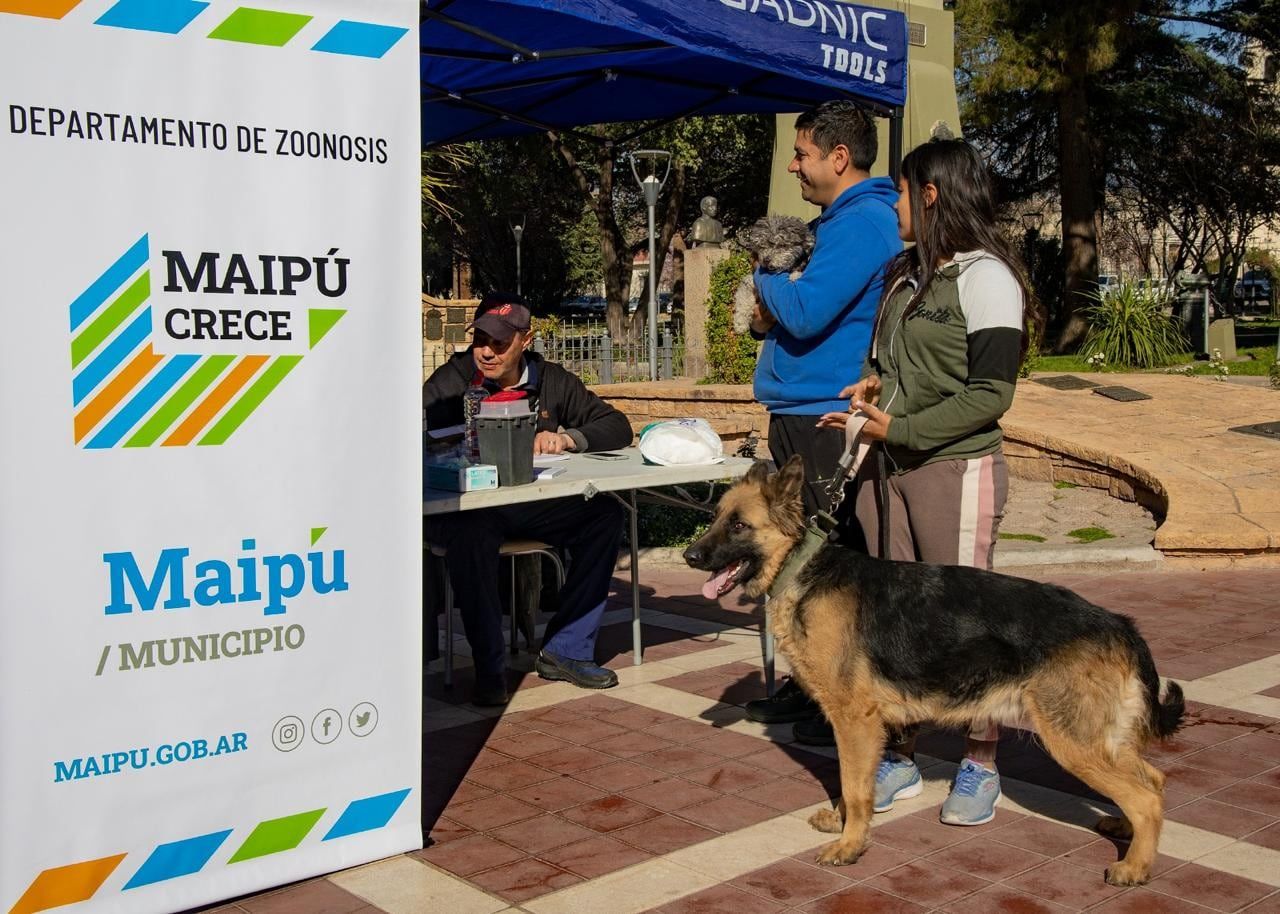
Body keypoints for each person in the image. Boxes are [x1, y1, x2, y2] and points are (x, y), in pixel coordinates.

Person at [817, 138, 1036, 826]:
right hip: (887, 471)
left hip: (953, 468)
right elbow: (896, 365)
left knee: (970, 621)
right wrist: (872, 386)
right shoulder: (905, 275)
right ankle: (902, 756)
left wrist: (902, 429)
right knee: (899, 622)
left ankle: (981, 761)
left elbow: (990, 394)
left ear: (932, 194)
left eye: (903, 193)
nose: (896, 206)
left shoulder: (987, 278)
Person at [743, 100, 902, 741]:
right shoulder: (834, 224)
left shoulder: (862, 224)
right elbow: (777, 315)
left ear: (839, 157)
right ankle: (814, 685)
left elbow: (804, 311)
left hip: (823, 414)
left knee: (825, 562)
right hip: (800, 408)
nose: (793, 166)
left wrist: (765, 268)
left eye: (802, 153)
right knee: (807, 559)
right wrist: (771, 304)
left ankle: (834, 695)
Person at [423, 292, 634, 707]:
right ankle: (490, 669)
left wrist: (568, 438)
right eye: (480, 340)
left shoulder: (552, 380)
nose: (486, 352)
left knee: (605, 514)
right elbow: (413, 428)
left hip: (529, 505)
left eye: (499, 343)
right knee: (473, 532)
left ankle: (566, 650)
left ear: (526, 339)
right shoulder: (453, 380)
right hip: (466, 507)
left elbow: (617, 426)